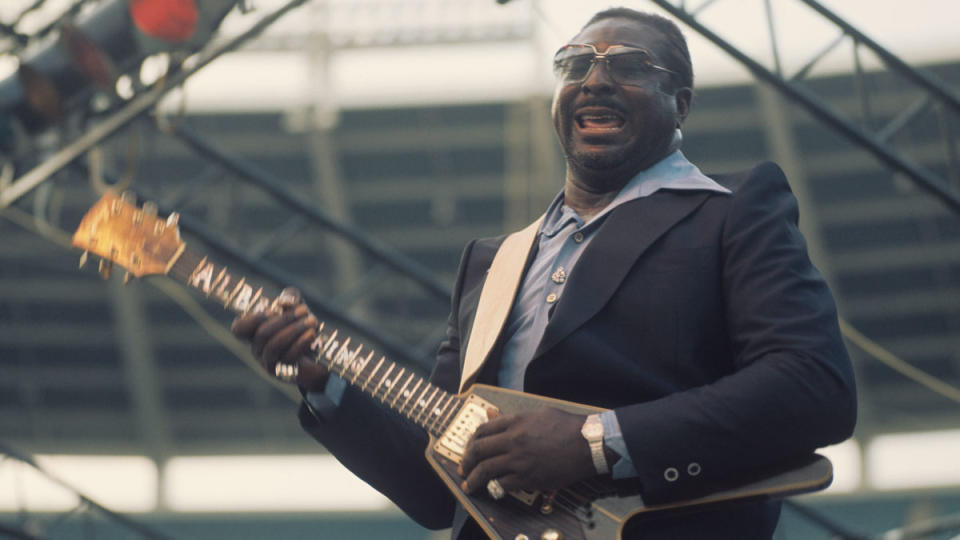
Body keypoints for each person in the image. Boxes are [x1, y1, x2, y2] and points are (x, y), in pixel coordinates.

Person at [231, 7, 856, 539]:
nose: (595, 79)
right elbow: (435, 486)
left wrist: (593, 442)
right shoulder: (491, 261)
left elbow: (813, 386)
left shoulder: (730, 212)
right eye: (575, 64)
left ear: (681, 104)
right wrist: (324, 384)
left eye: (630, 66)